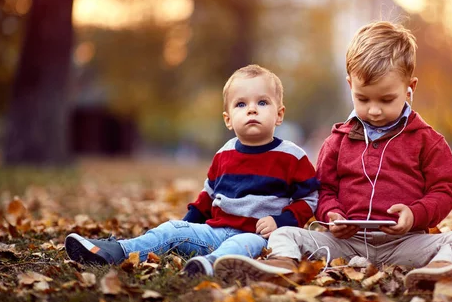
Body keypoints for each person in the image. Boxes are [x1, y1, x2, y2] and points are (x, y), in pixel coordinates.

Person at [213, 22, 452, 297]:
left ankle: (438, 272)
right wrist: (332, 215)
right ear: (350, 85)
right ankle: (281, 267)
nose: (373, 110)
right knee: (285, 233)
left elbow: (445, 187)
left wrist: (416, 214)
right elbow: (323, 191)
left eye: (386, 100)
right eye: (363, 99)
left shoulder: (426, 140)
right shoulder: (337, 141)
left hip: (404, 242)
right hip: (345, 242)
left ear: (410, 87)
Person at [65, 65, 320, 277]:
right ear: (228, 119)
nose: (252, 109)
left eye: (262, 102)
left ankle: (209, 266)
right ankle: (116, 251)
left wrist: (281, 221)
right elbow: (206, 199)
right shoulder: (224, 154)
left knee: (239, 244)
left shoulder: (292, 156)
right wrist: (184, 228)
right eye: (241, 104)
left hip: (258, 236)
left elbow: (308, 199)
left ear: (279, 114)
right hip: (215, 231)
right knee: (170, 230)